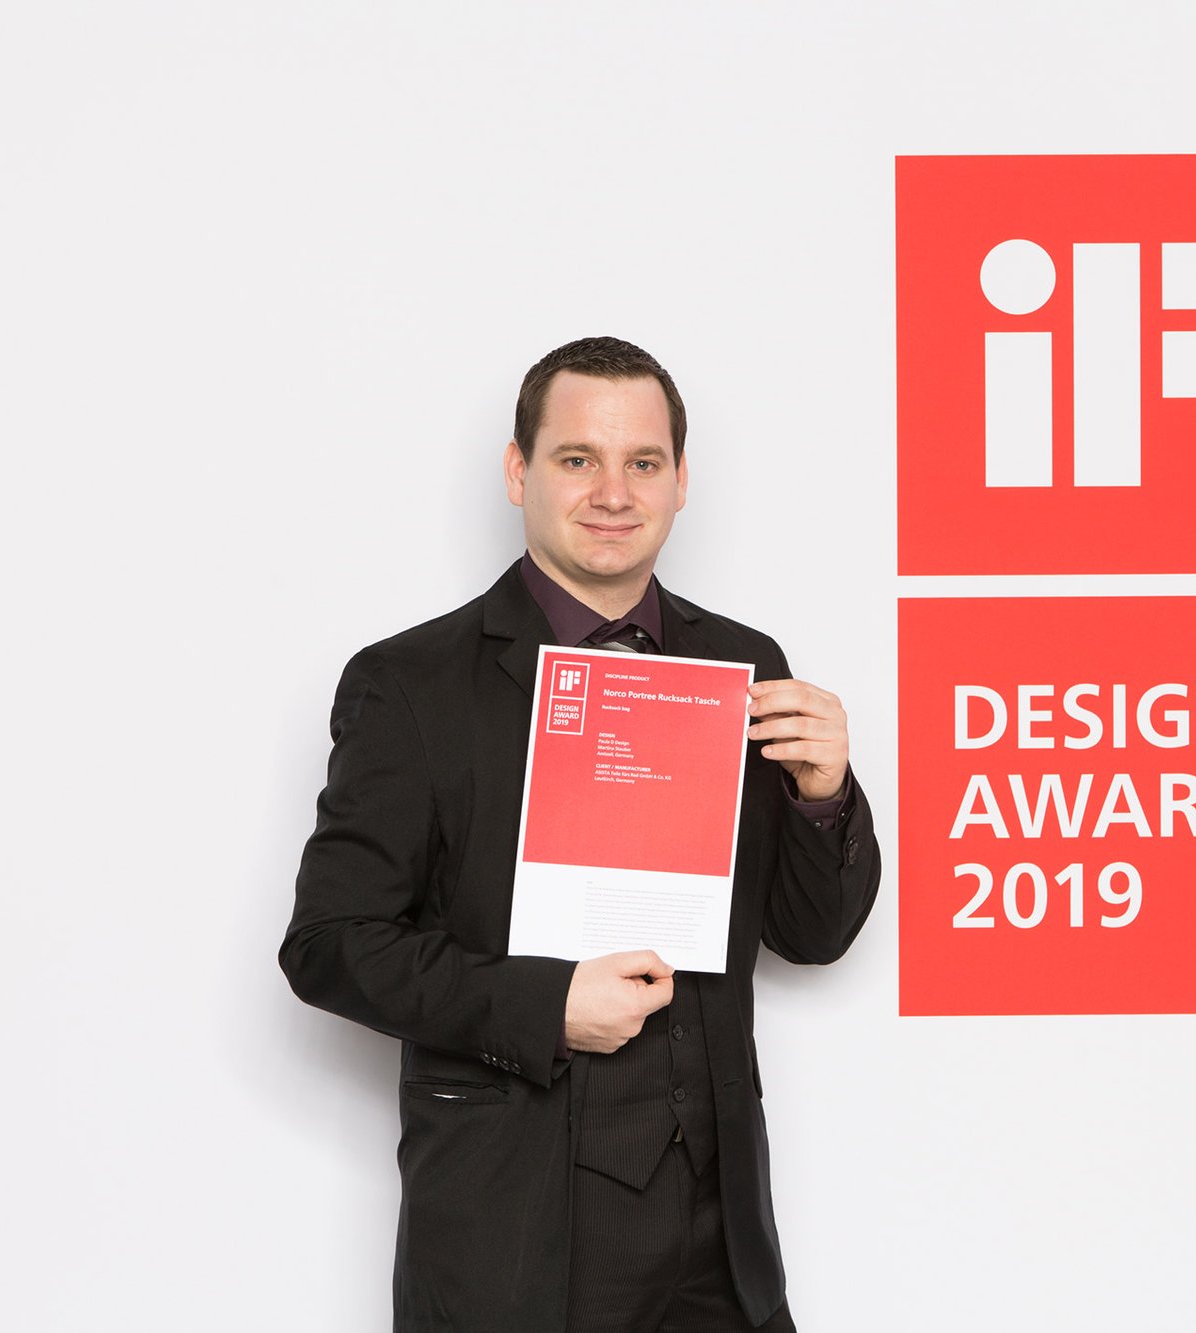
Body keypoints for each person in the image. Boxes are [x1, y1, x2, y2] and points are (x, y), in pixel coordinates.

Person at [279, 336, 880, 1331]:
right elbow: (329, 945)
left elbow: (810, 934)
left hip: (723, 1244)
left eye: (642, 461)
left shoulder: (743, 662)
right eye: (576, 458)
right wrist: (544, 1004)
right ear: (519, 473)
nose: (612, 492)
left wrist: (824, 794)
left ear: (680, 482)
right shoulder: (410, 684)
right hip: (516, 1234)